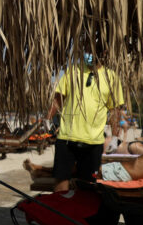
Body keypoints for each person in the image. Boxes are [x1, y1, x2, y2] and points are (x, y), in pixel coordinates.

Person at [46, 34, 124, 192]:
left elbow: (115, 110)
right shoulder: (73, 71)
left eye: (94, 50)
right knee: (61, 183)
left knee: (87, 186)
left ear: (104, 53)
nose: (89, 53)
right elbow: (58, 98)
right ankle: (59, 214)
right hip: (67, 138)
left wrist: (115, 137)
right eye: (87, 49)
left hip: (93, 141)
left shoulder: (112, 77)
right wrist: (47, 119)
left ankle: (80, 216)